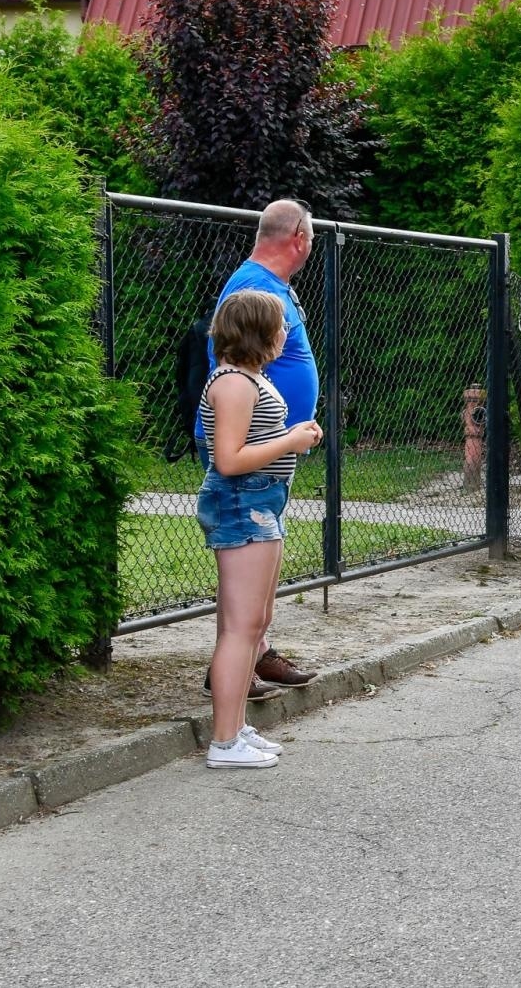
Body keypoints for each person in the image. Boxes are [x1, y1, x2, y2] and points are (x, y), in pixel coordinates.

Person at [193, 198, 319, 700]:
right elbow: (230, 365)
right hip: (250, 460)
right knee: (243, 563)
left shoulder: (272, 285)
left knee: (254, 572)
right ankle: (234, 668)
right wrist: (283, 436)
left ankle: (255, 653)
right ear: (299, 239)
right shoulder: (253, 288)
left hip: (267, 457)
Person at [196, 290, 324, 768]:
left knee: (255, 622)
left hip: (261, 501)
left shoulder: (249, 377)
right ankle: (224, 743)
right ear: (256, 330)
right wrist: (290, 439)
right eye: (279, 324)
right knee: (240, 626)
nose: (285, 332)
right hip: (242, 504)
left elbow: (254, 442)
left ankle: (236, 729)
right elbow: (228, 460)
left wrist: (294, 440)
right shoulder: (232, 382)